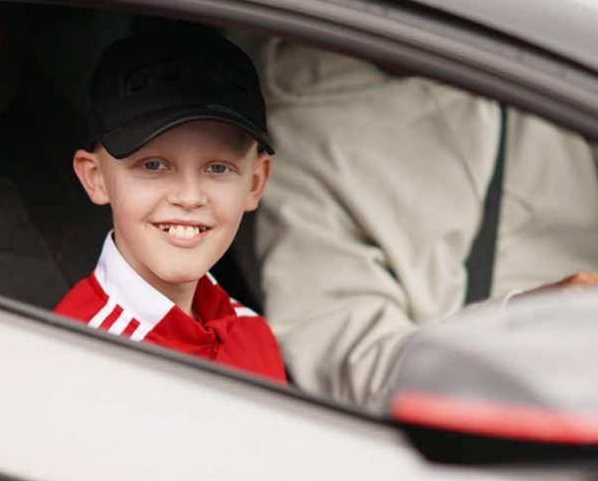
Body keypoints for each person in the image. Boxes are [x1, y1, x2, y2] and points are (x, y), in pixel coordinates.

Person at [245, 39, 598, 409]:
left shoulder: (538, 39)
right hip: (503, 406)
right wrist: (516, 322)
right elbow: (348, 361)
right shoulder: (306, 134)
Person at [53, 31, 286, 384]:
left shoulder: (253, 333)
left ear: (255, 183)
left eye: (218, 168)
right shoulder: (79, 363)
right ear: (95, 177)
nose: (190, 196)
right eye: (153, 165)